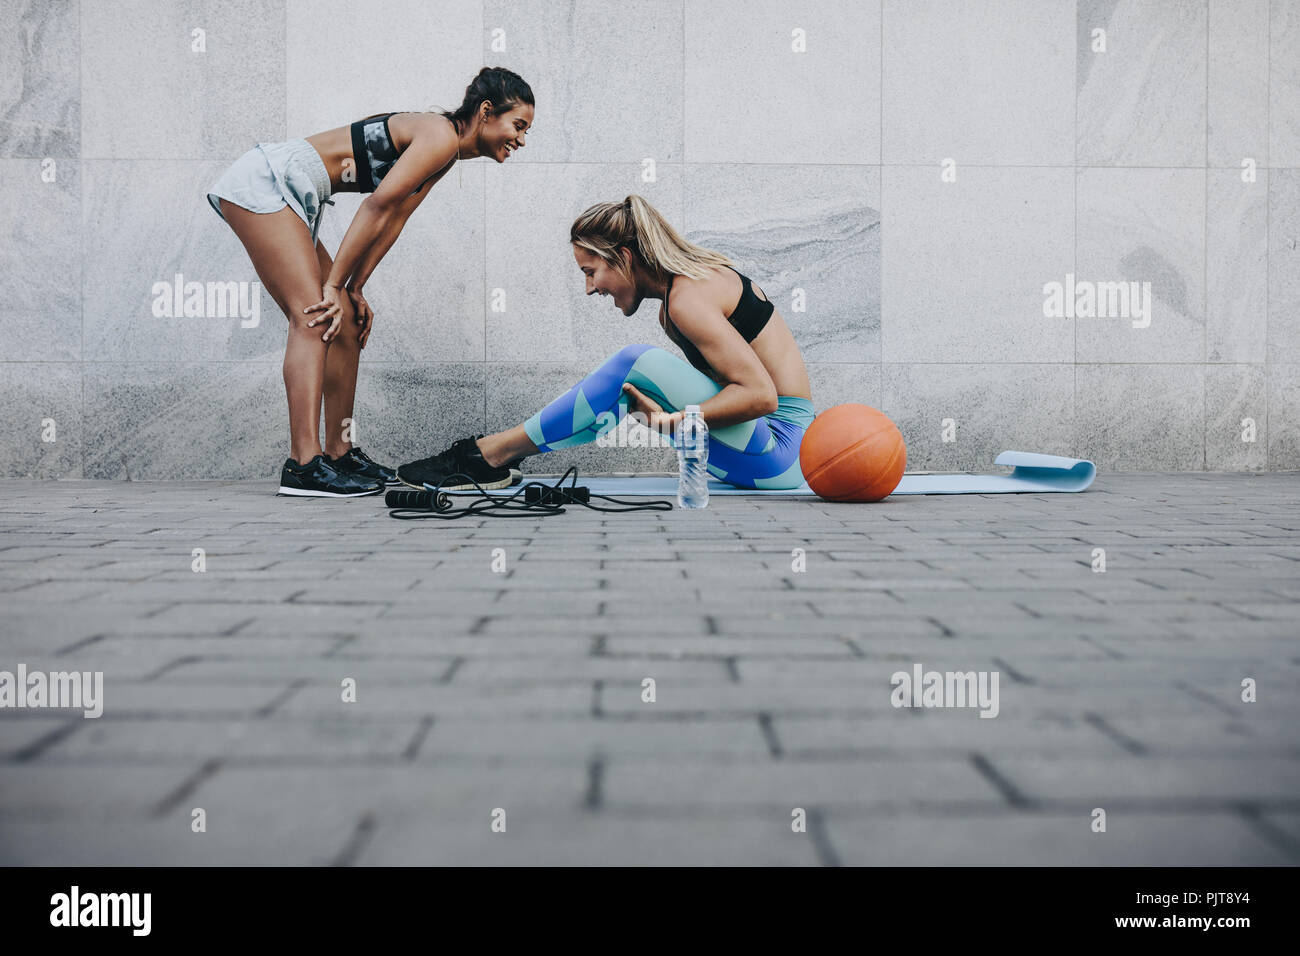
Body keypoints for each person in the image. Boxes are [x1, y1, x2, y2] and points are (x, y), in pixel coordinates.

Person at [206, 67, 535, 497]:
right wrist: (333, 286)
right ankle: (304, 465)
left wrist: (354, 288)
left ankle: (339, 453)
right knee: (315, 315)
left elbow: (394, 217)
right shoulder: (439, 135)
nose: (522, 139)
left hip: (295, 192)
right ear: (487, 112)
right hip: (269, 180)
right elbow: (377, 206)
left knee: (345, 326)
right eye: (519, 126)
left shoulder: (445, 149)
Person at [397, 195, 814, 492]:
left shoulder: (688, 297)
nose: (589, 288)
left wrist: (675, 420)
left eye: (591, 270)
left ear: (625, 257)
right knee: (629, 387)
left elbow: (761, 397)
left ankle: (490, 455)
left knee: (634, 364)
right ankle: (498, 457)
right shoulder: (674, 305)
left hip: (781, 452)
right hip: (759, 455)